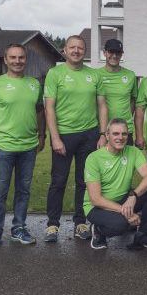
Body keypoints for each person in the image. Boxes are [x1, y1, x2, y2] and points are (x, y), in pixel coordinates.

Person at [43, 35, 106, 242]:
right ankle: (53, 225)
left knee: (84, 181)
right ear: (65, 50)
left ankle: (80, 222)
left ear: (85, 51)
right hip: (64, 136)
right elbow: (49, 108)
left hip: (89, 135)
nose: (76, 51)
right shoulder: (55, 73)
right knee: (58, 181)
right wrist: (55, 138)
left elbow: (102, 106)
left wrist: (103, 134)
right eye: (72, 47)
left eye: (80, 48)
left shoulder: (95, 75)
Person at [0, 43, 44, 247]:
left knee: (23, 190)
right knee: (0, 191)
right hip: (3, 146)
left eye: (21, 58)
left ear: (25, 60)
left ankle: (18, 228)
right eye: (13, 58)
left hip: (28, 147)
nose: (17, 61)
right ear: (5, 60)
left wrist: (42, 136)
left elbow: (40, 112)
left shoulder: (34, 84)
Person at [84, 119, 147, 250]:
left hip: (124, 199)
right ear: (107, 135)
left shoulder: (133, 152)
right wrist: (127, 213)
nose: (120, 137)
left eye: (124, 134)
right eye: (115, 134)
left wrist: (133, 196)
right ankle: (98, 230)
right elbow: (95, 199)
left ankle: (143, 235)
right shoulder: (94, 158)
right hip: (97, 207)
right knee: (120, 225)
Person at [97, 39, 138, 132]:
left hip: (125, 129)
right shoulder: (96, 75)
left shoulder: (130, 75)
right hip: (103, 130)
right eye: (111, 52)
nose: (114, 56)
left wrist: (125, 118)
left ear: (121, 54)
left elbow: (133, 100)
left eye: (118, 52)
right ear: (104, 53)